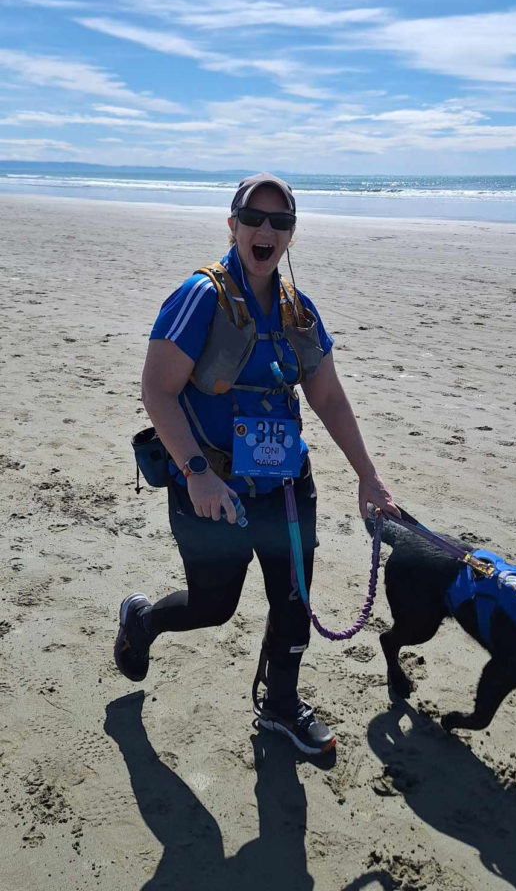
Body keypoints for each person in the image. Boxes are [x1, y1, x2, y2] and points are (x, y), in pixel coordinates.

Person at [114, 173, 397, 754]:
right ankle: (142, 621)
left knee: (293, 601)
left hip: (288, 487)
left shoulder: (297, 309)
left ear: (291, 234)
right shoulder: (201, 296)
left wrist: (368, 474)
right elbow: (157, 390)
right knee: (213, 607)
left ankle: (282, 707)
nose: (266, 230)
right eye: (255, 218)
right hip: (211, 486)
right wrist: (197, 473)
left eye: (281, 221)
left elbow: (328, 396)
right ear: (233, 225)